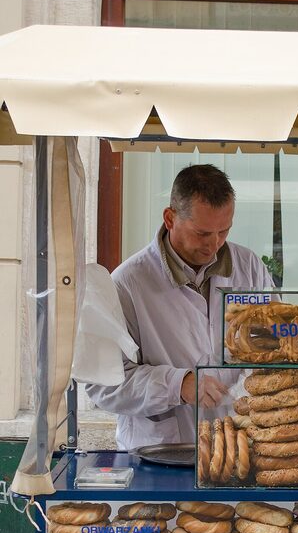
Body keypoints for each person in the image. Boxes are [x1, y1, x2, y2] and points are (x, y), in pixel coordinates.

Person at [87, 164, 274, 449]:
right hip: (161, 452)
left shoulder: (250, 268)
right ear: (170, 218)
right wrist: (178, 385)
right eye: (202, 233)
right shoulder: (127, 283)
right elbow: (104, 384)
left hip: (239, 446)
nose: (214, 244)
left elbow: (274, 347)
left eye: (223, 231)